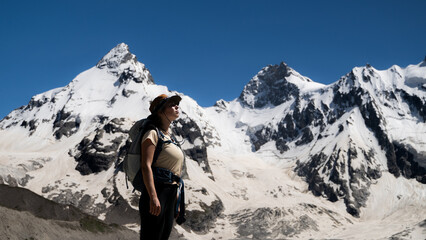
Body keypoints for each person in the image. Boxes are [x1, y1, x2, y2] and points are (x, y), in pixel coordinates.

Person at [139, 94, 185, 240]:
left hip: (170, 193)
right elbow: (146, 165)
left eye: (177, 103)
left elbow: (175, 171)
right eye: (172, 104)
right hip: (157, 191)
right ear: (160, 111)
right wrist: (153, 196)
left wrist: (176, 200)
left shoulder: (169, 137)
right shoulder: (152, 133)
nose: (177, 106)